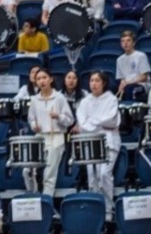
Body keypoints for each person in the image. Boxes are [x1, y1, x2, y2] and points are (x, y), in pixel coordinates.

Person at [74, 71, 120, 218]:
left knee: (104, 174)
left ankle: (108, 209)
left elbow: (112, 120)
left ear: (103, 83)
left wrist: (93, 121)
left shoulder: (111, 99)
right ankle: (95, 209)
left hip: (109, 140)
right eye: (91, 80)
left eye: (97, 80)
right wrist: (100, 124)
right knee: (92, 177)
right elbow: (82, 124)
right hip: (90, 142)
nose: (93, 83)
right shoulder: (84, 101)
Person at [25, 68, 73, 197]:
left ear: (51, 79)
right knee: (27, 170)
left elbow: (70, 120)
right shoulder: (34, 99)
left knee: (49, 175)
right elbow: (31, 119)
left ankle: (46, 202)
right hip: (40, 137)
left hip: (56, 136)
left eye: (44, 78)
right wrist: (34, 125)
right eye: (38, 79)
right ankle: (33, 196)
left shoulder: (59, 97)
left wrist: (58, 116)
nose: (41, 81)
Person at [115, 31, 151, 101]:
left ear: (133, 43)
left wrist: (128, 83)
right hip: (127, 85)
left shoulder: (141, 56)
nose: (125, 43)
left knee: (130, 89)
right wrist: (121, 85)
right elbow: (122, 78)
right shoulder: (119, 60)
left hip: (142, 84)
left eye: (128, 40)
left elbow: (144, 77)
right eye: (123, 41)